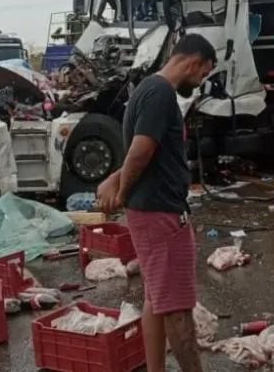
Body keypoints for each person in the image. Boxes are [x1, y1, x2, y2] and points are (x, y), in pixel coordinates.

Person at [96, 33, 217, 372]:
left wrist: (118, 179)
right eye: (203, 74)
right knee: (177, 307)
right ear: (193, 62)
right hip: (160, 215)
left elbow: (146, 150)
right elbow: (142, 149)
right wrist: (122, 190)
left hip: (153, 212)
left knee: (156, 299)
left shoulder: (148, 89)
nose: (201, 81)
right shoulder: (161, 93)